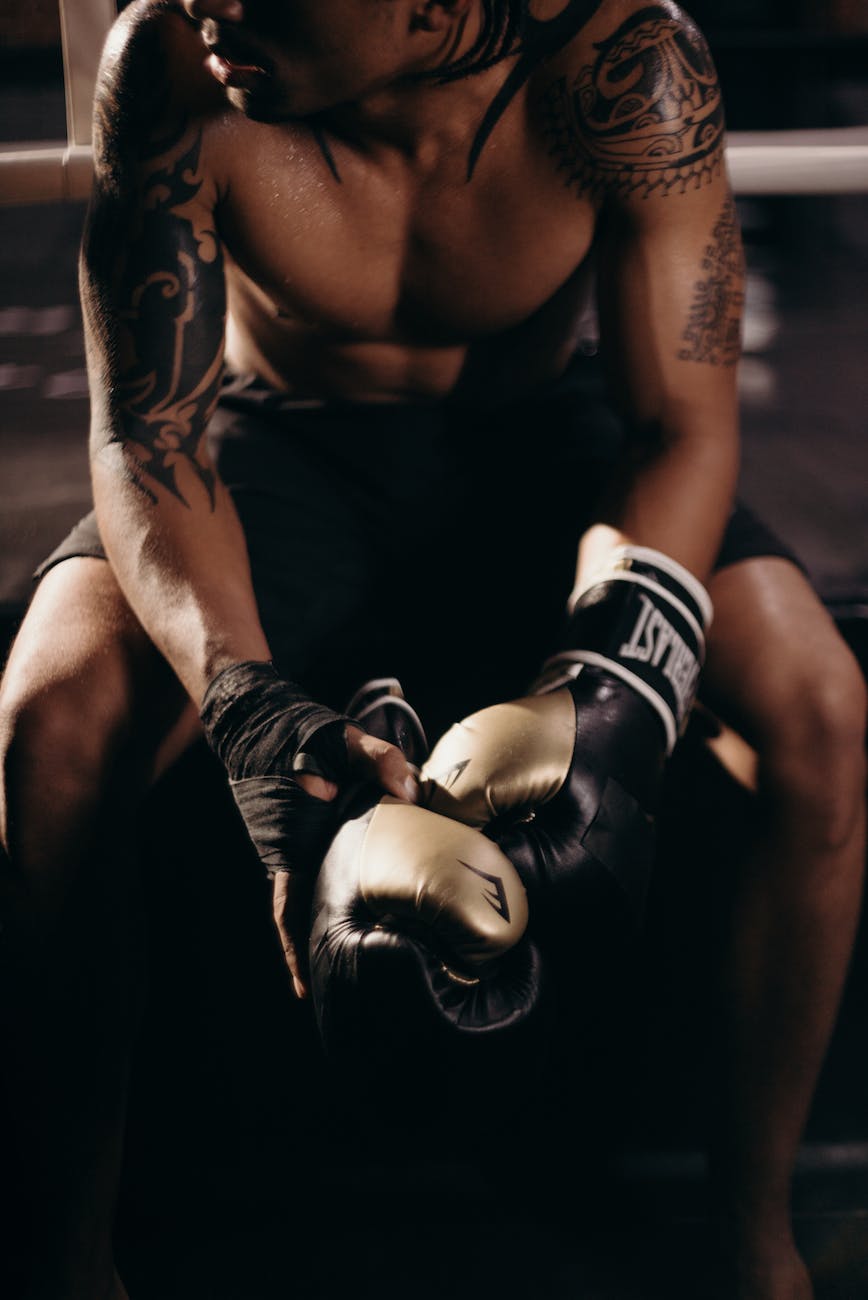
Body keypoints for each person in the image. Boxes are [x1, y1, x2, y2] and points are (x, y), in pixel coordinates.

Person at [0, 0, 864, 1296]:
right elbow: (145, 438)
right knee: (49, 722)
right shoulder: (176, 62)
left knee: (822, 711)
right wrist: (247, 713)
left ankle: (756, 1238)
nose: (206, 1)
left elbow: (680, 424)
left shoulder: (624, 66)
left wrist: (614, 677)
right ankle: (58, 1256)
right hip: (267, 449)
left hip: (542, 446)